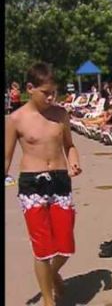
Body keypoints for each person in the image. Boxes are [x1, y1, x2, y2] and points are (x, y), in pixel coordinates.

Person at [5, 62, 82, 305]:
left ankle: (53, 273)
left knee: (66, 245)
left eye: (54, 92)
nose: (51, 97)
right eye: (46, 92)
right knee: (42, 249)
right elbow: (6, 156)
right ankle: (49, 300)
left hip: (60, 181)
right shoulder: (16, 119)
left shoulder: (60, 115)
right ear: (30, 88)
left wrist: (74, 161)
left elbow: (69, 145)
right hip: (32, 185)